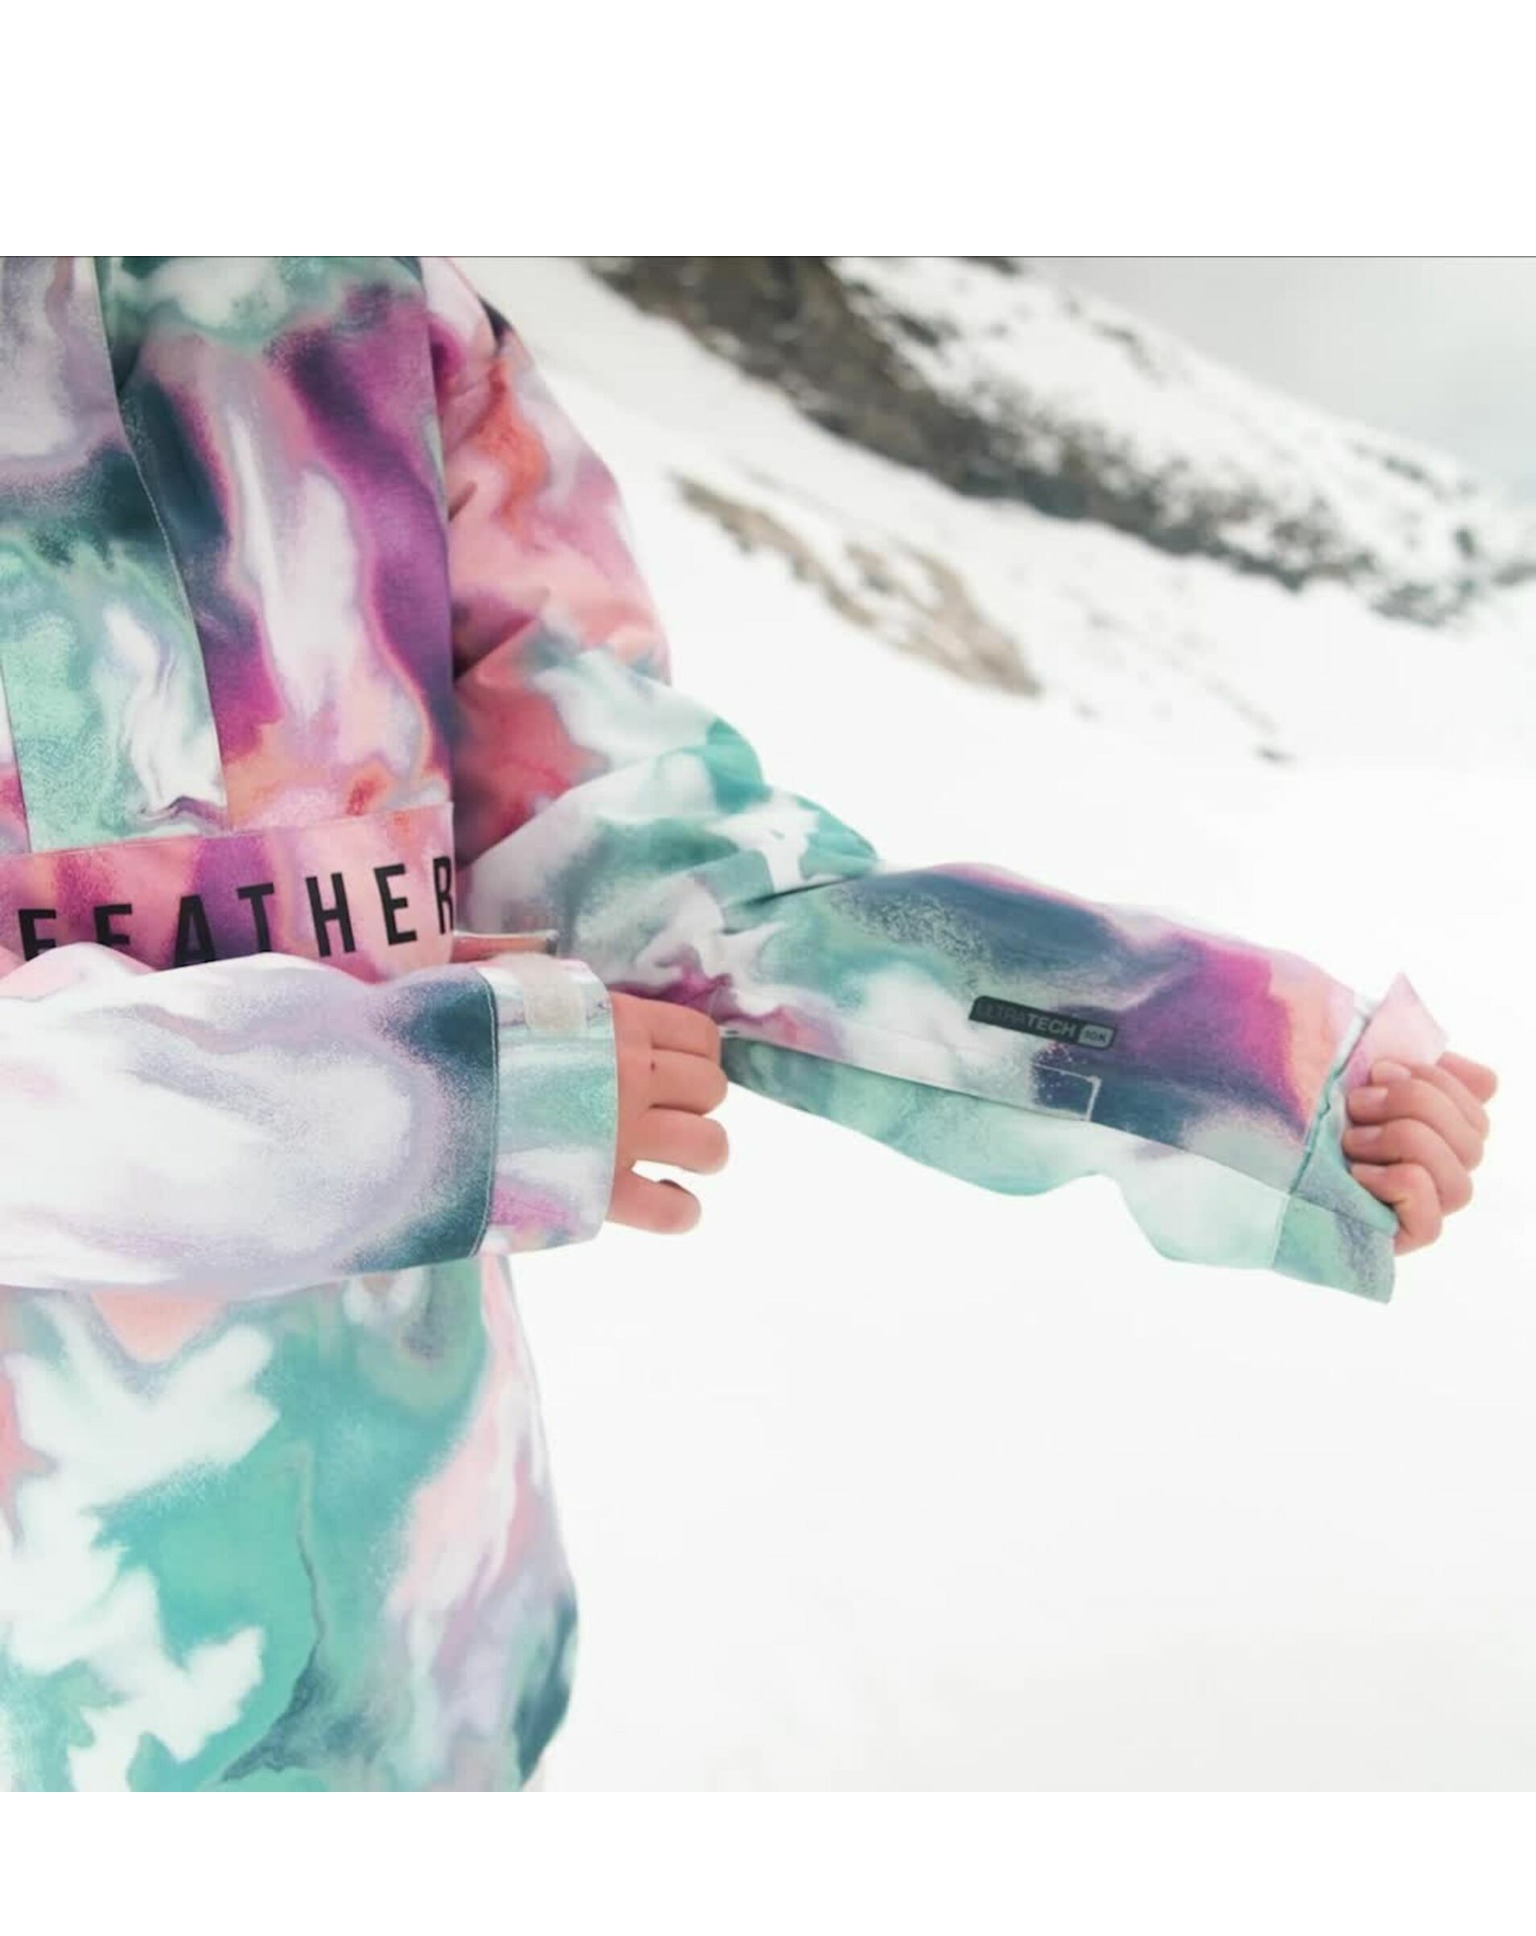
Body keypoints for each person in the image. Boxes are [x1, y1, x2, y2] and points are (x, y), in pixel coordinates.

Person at [0, 255, 1497, 1793]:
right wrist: (420, 1109)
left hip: (426, 1653)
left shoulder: (364, 310)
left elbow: (635, 847)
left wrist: (1221, 1060)